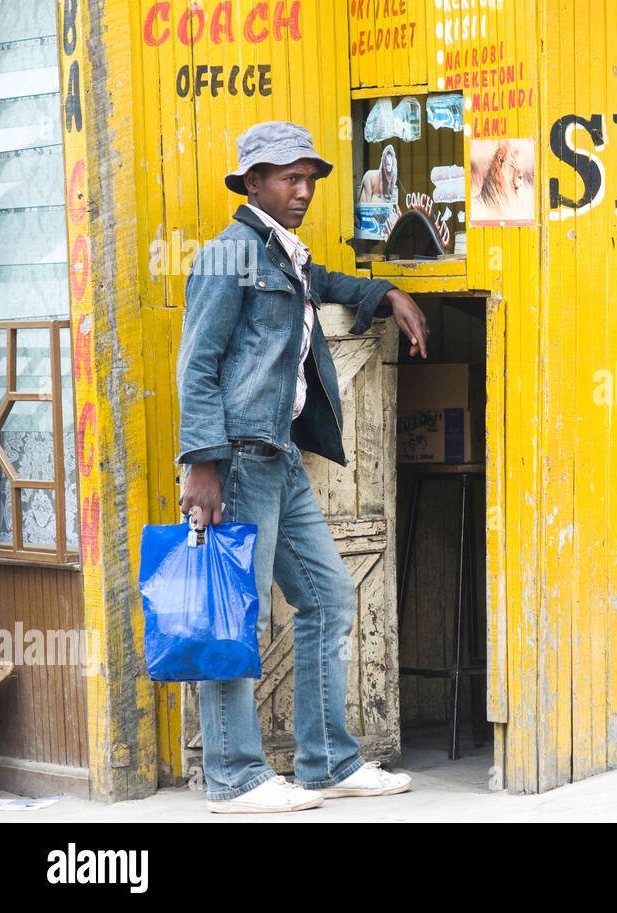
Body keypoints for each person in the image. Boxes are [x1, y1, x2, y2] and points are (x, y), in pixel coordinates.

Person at [176, 120, 430, 813]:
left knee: (328, 597)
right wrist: (200, 464)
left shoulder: (283, 255)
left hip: (279, 460)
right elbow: (195, 365)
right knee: (233, 619)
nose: (303, 189)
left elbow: (325, 279)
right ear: (252, 182)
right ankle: (234, 777)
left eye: (310, 177)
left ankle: (326, 761)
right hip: (231, 464)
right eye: (288, 177)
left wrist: (386, 295)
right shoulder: (228, 256)